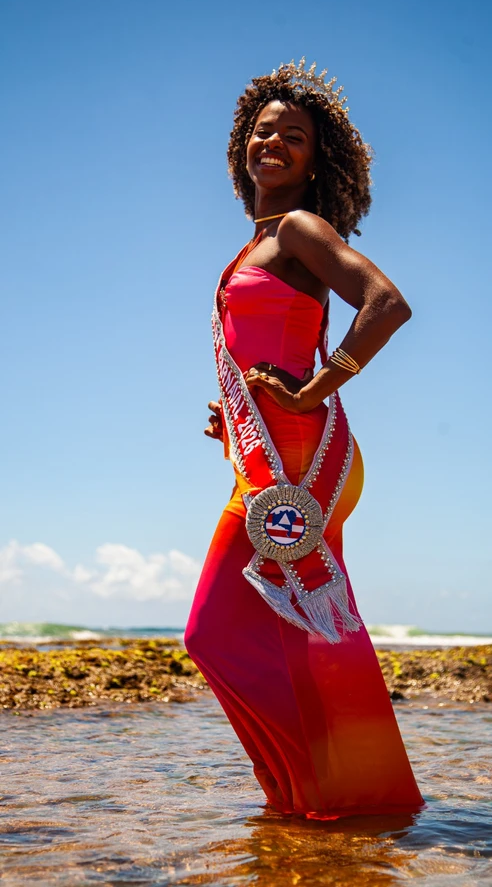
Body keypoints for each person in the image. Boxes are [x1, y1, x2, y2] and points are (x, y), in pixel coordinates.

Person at [184, 59, 423, 818]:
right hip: (267, 450)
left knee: (219, 632)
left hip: (301, 459)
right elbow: (266, 352)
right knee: (275, 635)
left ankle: (340, 793)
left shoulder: (299, 228)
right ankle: (311, 797)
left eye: (294, 136)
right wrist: (236, 414)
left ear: (315, 161)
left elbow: (386, 303)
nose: (274, 143)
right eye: (264, 131)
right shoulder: (252, 246)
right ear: (241, 146)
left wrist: (314, 388)